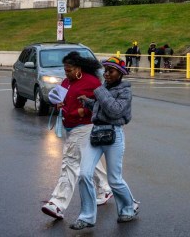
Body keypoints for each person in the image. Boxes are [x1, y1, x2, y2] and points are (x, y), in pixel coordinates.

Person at [41, 52, 112, 220]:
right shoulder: (66, 82)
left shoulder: (92, 82)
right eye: (65, 70)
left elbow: (102, 102)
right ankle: (104, 188)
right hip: (70, 126)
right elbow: (60, 97)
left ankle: (57, 203)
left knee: (70, 162)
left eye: (69, 70)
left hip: (84, 126)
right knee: (88, 160)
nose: (66, 73)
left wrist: (84, 110)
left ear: (78, 68)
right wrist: (59, 103)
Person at [70, 57, 138, 230]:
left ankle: (129, 208)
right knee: (84, 174)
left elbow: (115, 110)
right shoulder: (104, 88)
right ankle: (86, 217)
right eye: (105, 70)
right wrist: (88, 101)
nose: (106, 74)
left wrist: (98, 91)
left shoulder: (125, 92)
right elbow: (101, 108)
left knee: (114, 180)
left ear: (120, 74)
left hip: (114, 135)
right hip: (97, 134)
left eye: (111, 71)